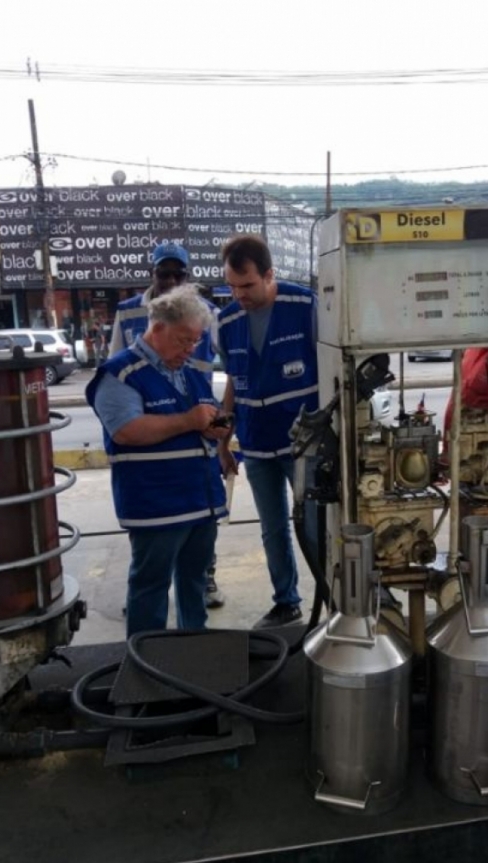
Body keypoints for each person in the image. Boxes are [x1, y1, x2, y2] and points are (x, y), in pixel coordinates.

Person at [86, 286, 231, 637]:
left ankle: (192, 649)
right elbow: (126, 431)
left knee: (194, 582)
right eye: (184, 340)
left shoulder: (190, 370)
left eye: (196, 341)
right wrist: (189, 421)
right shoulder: (120, 373)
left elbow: (206, 412)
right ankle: (145, 659)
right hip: (157, 504)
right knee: (151, 586)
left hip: (201, 500)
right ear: (158, 328)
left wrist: (217, 427)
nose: (190, 349)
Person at [110, 242, 226, 609]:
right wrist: (185, 420)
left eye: (180, 275)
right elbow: (123, 417)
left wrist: (218, 429)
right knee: (151, 571)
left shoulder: (207, 314)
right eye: (166, 274)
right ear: (153, 275)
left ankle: (204, 585)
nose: (173, 281)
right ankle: (147, 631)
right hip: (153, 474)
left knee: (195, 567)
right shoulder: (128, 317)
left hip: (198, 466)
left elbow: (226, 370)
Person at [218, 235, 318, 629]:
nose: (239, 294)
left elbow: (331, 369)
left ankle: (336, 595)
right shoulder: (227, 322)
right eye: (232, 286)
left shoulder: (305, 306)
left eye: (247, 286)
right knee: (273, 528)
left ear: (270, 274)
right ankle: (286, 601)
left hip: (304, 445)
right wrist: (224, 444)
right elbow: (231, 383)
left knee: (316, 525)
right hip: (256, 444)